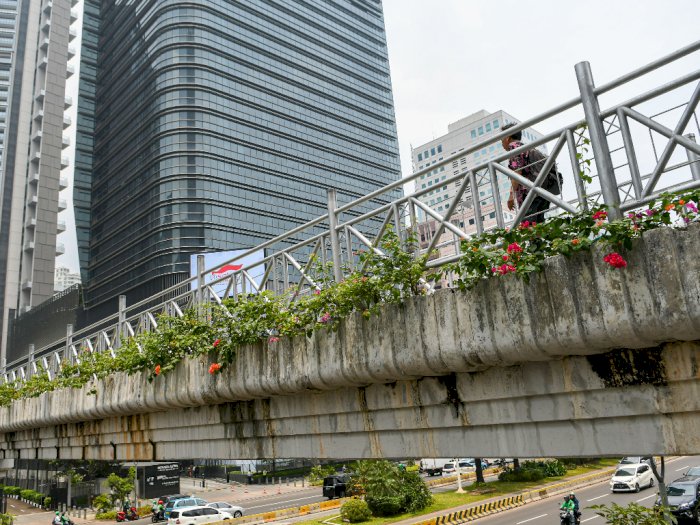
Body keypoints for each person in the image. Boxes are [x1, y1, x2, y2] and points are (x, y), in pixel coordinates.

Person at [501, 122, 552, 224]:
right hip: (541, 193)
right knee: (539, 228)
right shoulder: (526, 148)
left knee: (529, 228)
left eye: (501, 139)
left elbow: (517, 173)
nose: (501, 143)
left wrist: (511, 196)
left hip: (529, 196)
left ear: (507, 138)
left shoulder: (514, 148)